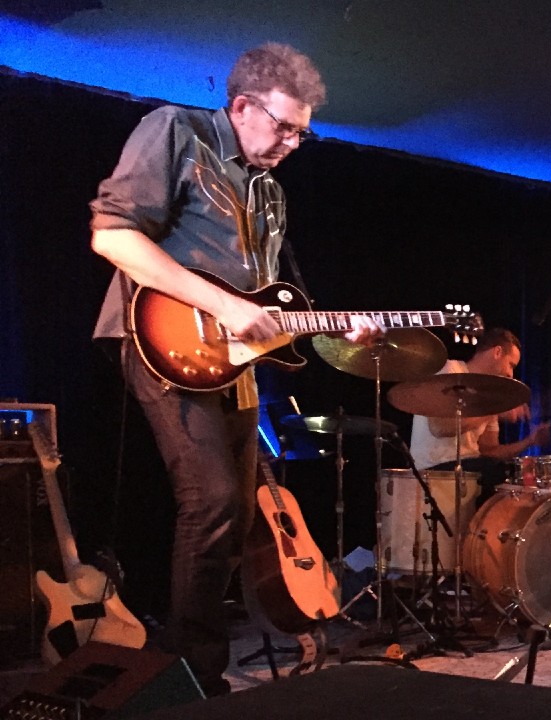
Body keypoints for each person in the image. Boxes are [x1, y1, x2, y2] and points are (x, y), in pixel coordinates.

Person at [90, 43, 383, 696]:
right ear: (243, 105)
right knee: (213, 501)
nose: (292, 144)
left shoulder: (270, 194)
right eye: (284, 127)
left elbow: (266, 307)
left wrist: (336, 327)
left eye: (302, 134)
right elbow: (112, 235)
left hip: (234, 364)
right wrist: (221, 305)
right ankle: (191, 679)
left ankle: (198, 663)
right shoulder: (176, 130)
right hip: (161, 342)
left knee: (240, 512)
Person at [408, 328, 551, 504]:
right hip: (434, 468)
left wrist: (530, 441)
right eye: (511, 365)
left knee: (511, 474)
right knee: (495, 473)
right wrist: (496, 409)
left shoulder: (488, 397)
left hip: (470, 469)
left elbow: (490, 451)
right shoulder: (450, 370)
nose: (510, 374)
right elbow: (440, 428)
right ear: (497, 352)